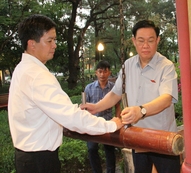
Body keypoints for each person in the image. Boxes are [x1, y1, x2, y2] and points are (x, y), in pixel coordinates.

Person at [8, 14, 123, 173]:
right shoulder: (37, 75)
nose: (54, 45)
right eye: (49, 41)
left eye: (54, 40)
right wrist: (111, 125)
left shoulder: (22, 69)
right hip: (40, 161)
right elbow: (70, 116)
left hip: (27, 158)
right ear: (32, 44)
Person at [81, 20, 181, 173]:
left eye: (150, 40)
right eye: (141, 40)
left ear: (158, 41)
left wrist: (140, 111)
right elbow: (115, 93)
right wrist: (95, 107)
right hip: (138, 138)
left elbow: (166, 98)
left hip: (162, 138)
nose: (145, 45)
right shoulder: (127, 66)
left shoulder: (166, 66)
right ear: (134, 41)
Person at [84, 60, 121, 173]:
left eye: (105, 72)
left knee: (109, 149)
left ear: (109, 73)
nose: (102, 75)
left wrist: (117, 119)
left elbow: (117, 106)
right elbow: (85, 107)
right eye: (100, 72)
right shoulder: (89, 88)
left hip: (108, 123)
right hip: (93, 123)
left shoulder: (114, 87)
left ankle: (111, 171)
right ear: (96, 72)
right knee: (92, 149)